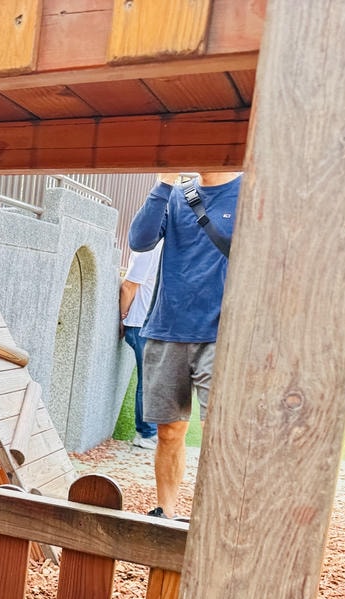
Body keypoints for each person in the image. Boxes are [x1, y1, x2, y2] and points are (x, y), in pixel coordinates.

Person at [129, 171, 242, 518]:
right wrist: (163, 183)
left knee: (221, 433)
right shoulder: (176, 194)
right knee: (168, 431)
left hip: (223, 334)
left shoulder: (250, 191)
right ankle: (166, 510)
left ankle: (215, 516)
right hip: (168, 329)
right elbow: (140, 240)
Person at [118, 242, 163, 450]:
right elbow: (128, 286)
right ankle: (146, 433)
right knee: (148, 380)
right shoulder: (149, 247)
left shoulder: (162, 245)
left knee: (152, 379)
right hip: (139, 324)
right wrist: (123, 317)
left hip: (150, 324)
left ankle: (148, 432)